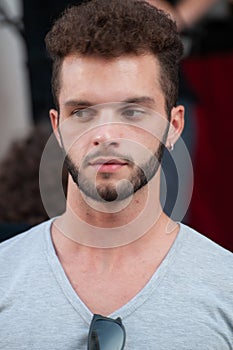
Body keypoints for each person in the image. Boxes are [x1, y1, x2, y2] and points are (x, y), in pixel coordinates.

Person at [0, 1, 232, 349]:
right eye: (82, 112)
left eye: (133, 111)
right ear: (57, 128)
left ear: (174, 126)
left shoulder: (225, 288)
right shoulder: (5, 278)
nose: (106, 134)